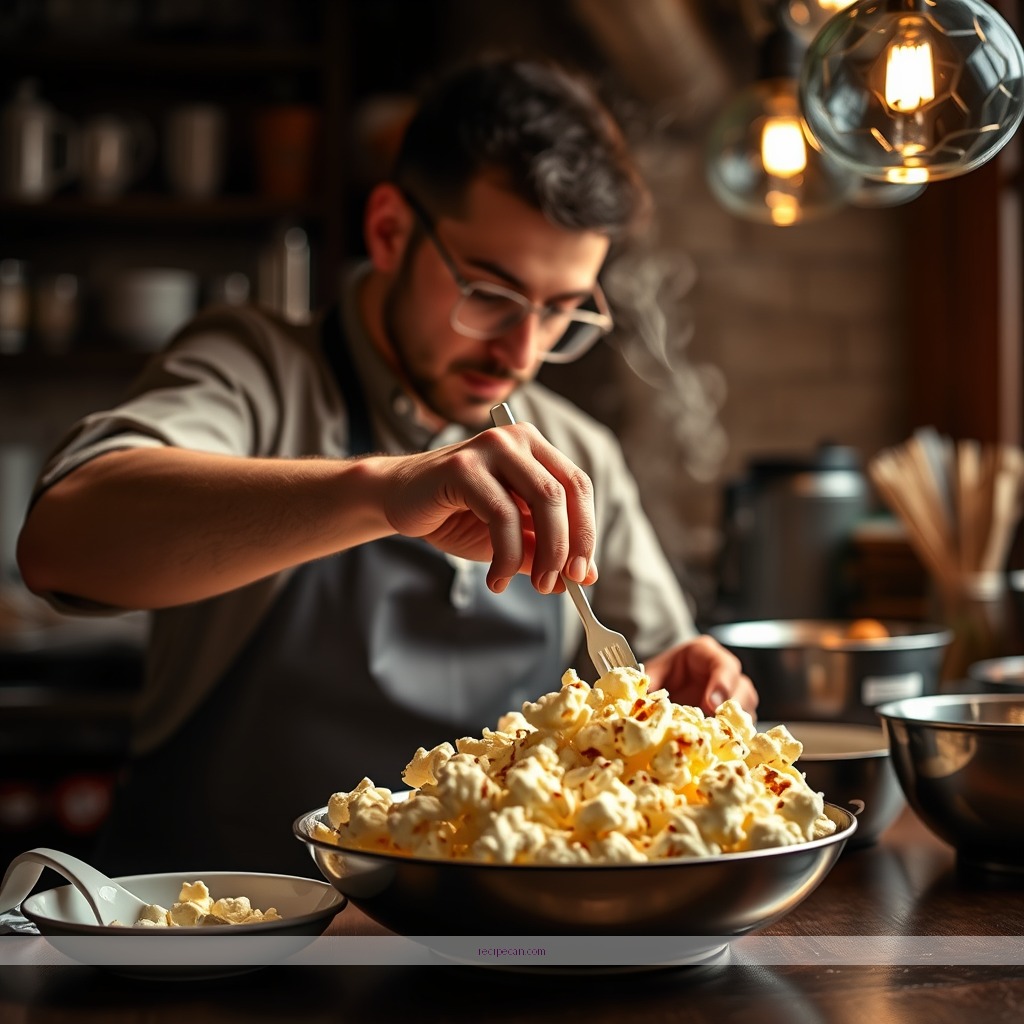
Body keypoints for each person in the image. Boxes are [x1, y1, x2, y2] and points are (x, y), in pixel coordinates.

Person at [17, 55, 756, 875]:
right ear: (389, 231)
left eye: (560, 311)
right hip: (221, 942)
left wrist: (689, 698)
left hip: (470, 950)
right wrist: (387, 488)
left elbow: (657, 674)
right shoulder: (258, 370)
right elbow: (60, 539)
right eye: (490, 292)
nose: (521, 352)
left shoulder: (577, 454)